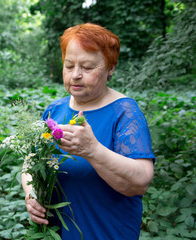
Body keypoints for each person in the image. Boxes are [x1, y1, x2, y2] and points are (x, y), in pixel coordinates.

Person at [21, 23, 155, 239]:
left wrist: (92, 150)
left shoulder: (125, 113)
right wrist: (31, 193)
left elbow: (140, 182)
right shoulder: (54, 110)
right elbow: (29, 162)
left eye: (87, 67)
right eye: (69, 65)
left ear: (110, 68)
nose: (76, 75)